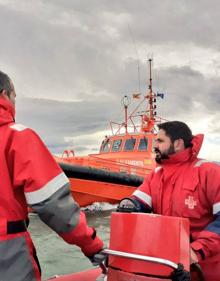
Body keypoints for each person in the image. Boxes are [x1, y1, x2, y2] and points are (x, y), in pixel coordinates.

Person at [0, 70, 104, 281]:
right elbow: (54, 205)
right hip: (8, 256)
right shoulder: (17, 137)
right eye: (14, 96)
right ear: (4, 94)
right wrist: (93, 245)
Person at [118, 121, 220, 281]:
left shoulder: (209, 172)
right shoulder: (156, 174)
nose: (155, 145)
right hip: (169, 265)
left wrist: (195, 251)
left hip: (206, 268)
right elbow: (140, 201)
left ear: (178, 143)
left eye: (160, 141)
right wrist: (129, 205)